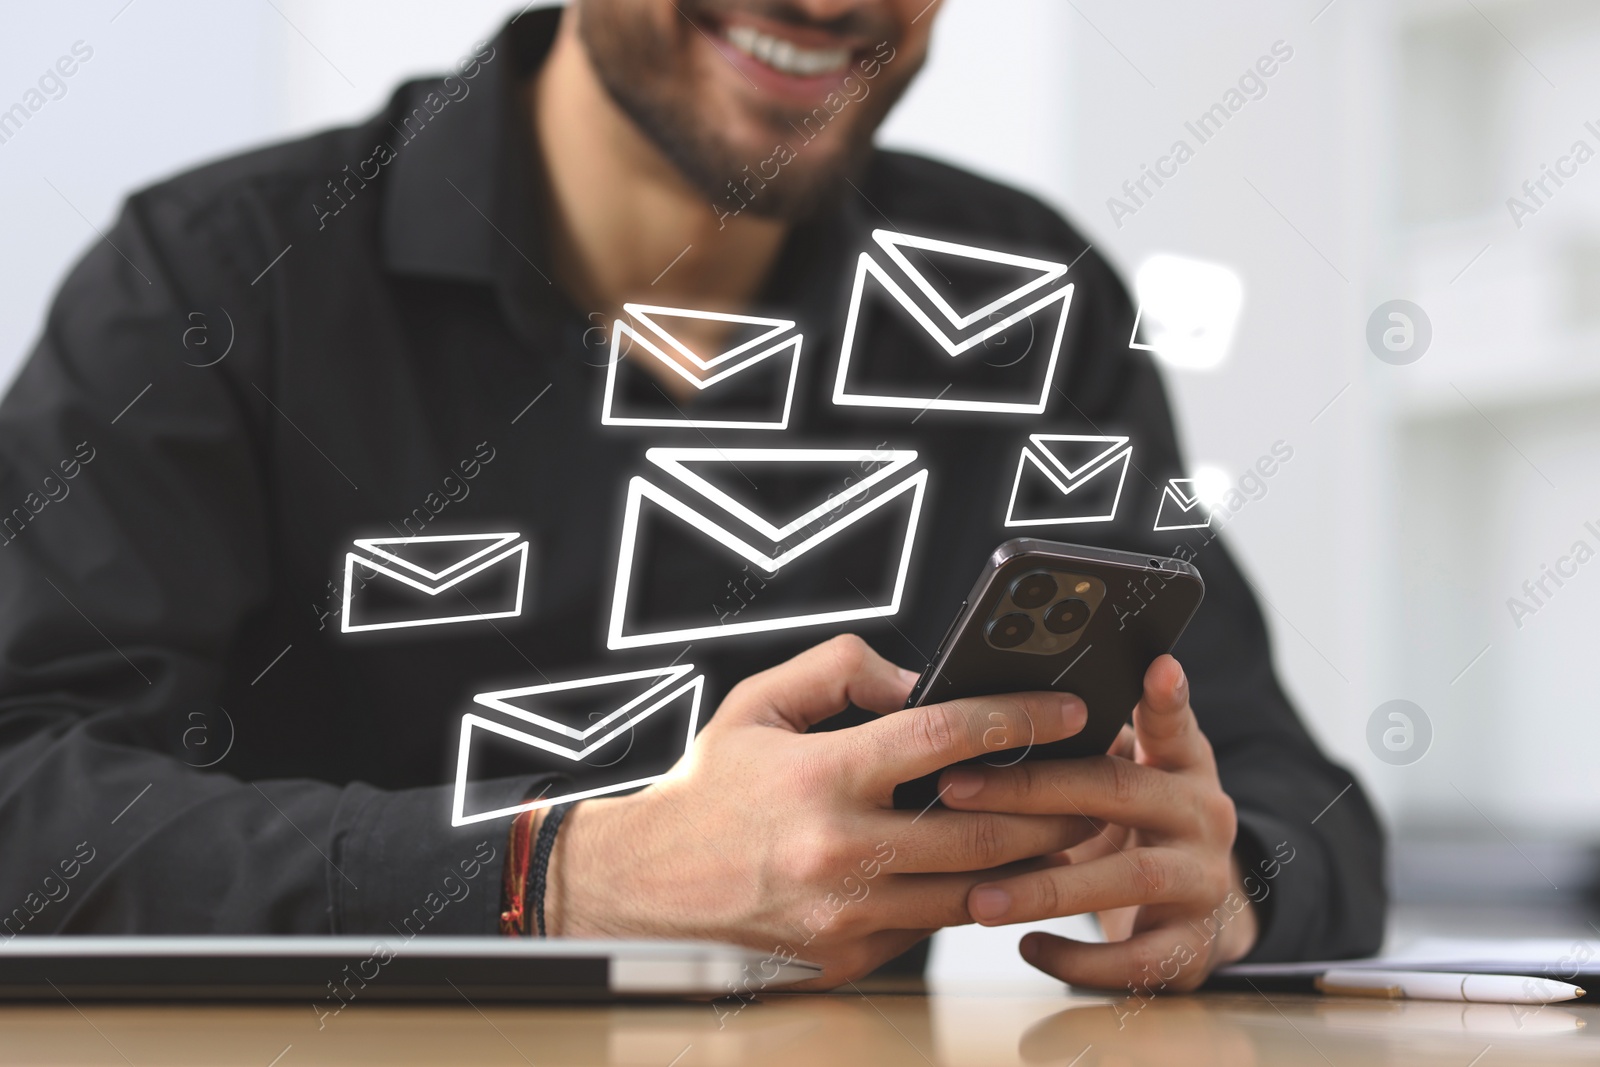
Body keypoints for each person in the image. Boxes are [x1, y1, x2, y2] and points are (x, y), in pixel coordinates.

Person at [0, 1, 1383, 991]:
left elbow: (1302, 809)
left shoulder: (1022, 292)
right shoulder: (216, 288)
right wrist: (551, 877)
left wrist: (1225, 890)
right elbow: (25, 793)